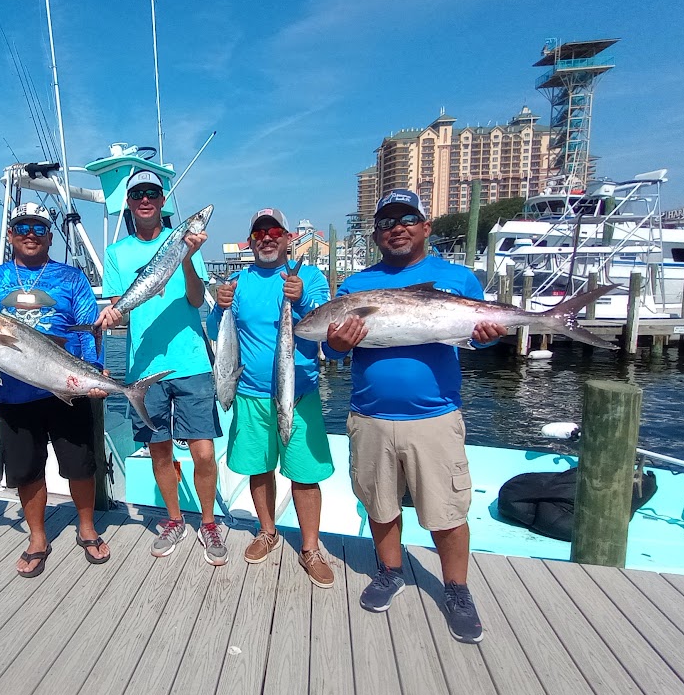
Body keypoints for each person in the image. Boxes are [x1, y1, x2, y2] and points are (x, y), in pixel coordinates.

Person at [325, 189, 507, 643]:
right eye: (386, 222)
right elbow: (330, 346)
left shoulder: (458, 278)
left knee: (446, 511)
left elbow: (479, 337)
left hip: (435, 417)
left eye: (407, 218)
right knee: (380, 505)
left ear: (426, 226)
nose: (396, 228)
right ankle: (390, 571)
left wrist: (486, 337)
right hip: (368, 416)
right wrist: (337, 345)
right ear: (375, 235)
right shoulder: (356, 286)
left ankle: (457, 589)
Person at [0, 202, 111, 577]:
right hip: (14, 394)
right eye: (23, 227)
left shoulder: (72, 278)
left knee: (80, 467)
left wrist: (93, 372)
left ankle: (87, 528)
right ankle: (37, 537)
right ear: (11, 234)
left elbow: (86, 328)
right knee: (26, 471)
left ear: (50, 235)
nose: (31, 234)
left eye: (39, 228)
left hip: (66, 389)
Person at [95, 170, 226, 566]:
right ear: (130, 203)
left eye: (152, 193)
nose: (146, 199)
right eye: (138, 194)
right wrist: (109, 317)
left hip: (191, 363)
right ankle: (173, 520)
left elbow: (196, 298)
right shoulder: (117, 253)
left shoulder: (187, 243)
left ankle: (207, 523)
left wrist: (186, 258)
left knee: (203, 452)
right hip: (144, 369)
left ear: (162, 200)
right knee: (159, 450)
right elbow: (121, 310)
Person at [208, 209, 336, 587]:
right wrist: (220, 303)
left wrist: (297, 302)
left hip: (298, 394)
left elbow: (323, 324)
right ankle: (268, 532)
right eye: (259, 232)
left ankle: (310, 547)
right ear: (251, 241)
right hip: (247, 395)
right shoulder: (237, 281)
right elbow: (218, 330)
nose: (266, 237)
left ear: (287, 237)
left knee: (304, 474)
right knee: (259, 468)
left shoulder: (308, 277)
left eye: (274, 231)